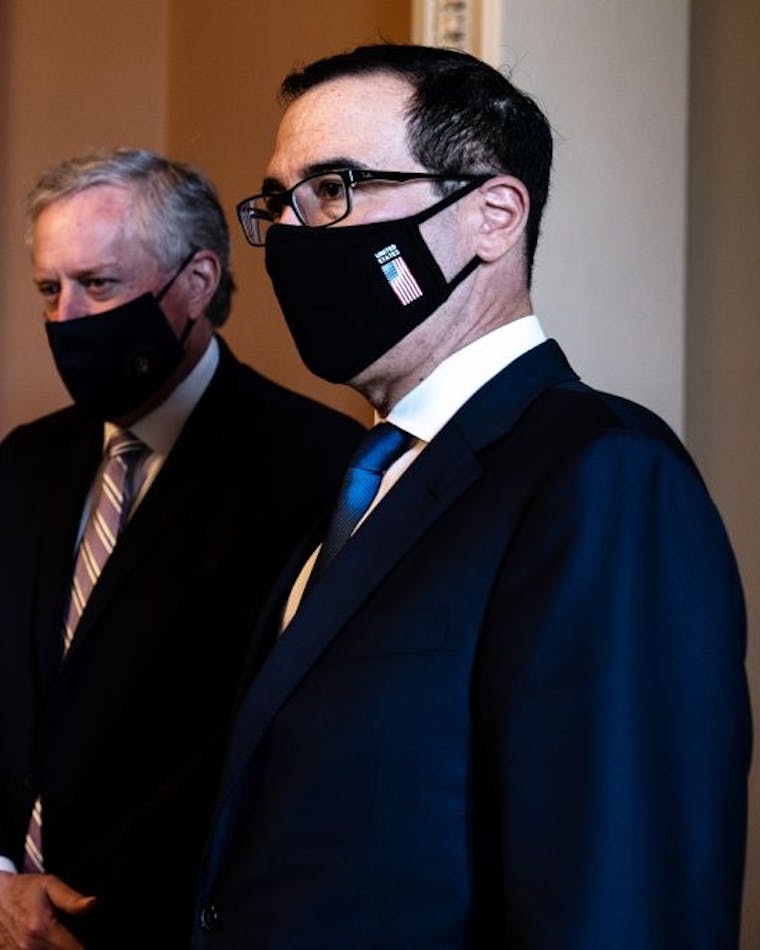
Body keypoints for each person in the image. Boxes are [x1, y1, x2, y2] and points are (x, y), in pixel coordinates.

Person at [193, 45, 751, 947]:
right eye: (279, 203)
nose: (295, 234)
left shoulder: (603, 476)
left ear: (493, 216)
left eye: (335, 188)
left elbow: (620, 897)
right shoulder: (359, 482)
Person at [0, 148, 361, 948]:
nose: (68, 317)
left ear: (197, 281)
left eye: (100, 284)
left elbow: (285, 738)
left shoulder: (313, 465)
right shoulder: (23, 463)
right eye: (51, 289)